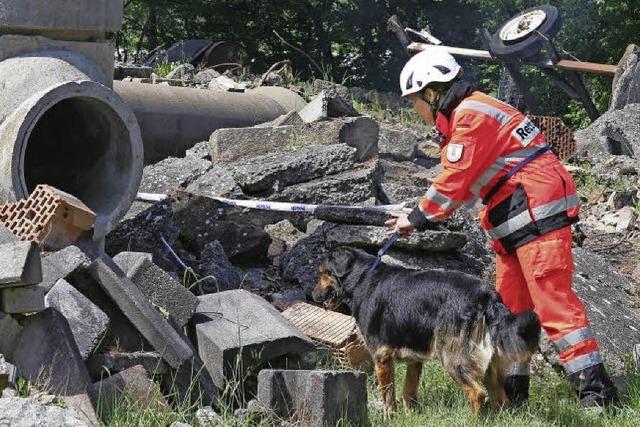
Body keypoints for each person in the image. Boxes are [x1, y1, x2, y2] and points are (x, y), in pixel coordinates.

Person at [385, 46, 619, 409]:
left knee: (553, 305)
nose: (415, 110)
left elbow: (455, 181)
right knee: (509, 311)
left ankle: (599, 397)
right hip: (516, 214)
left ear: (431, 92)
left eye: (414, 100)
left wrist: (415, 218)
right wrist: (421, 212)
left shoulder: (470, 115)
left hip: (534, 209)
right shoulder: (472, 112)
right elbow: (464, 185)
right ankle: (512, 397)